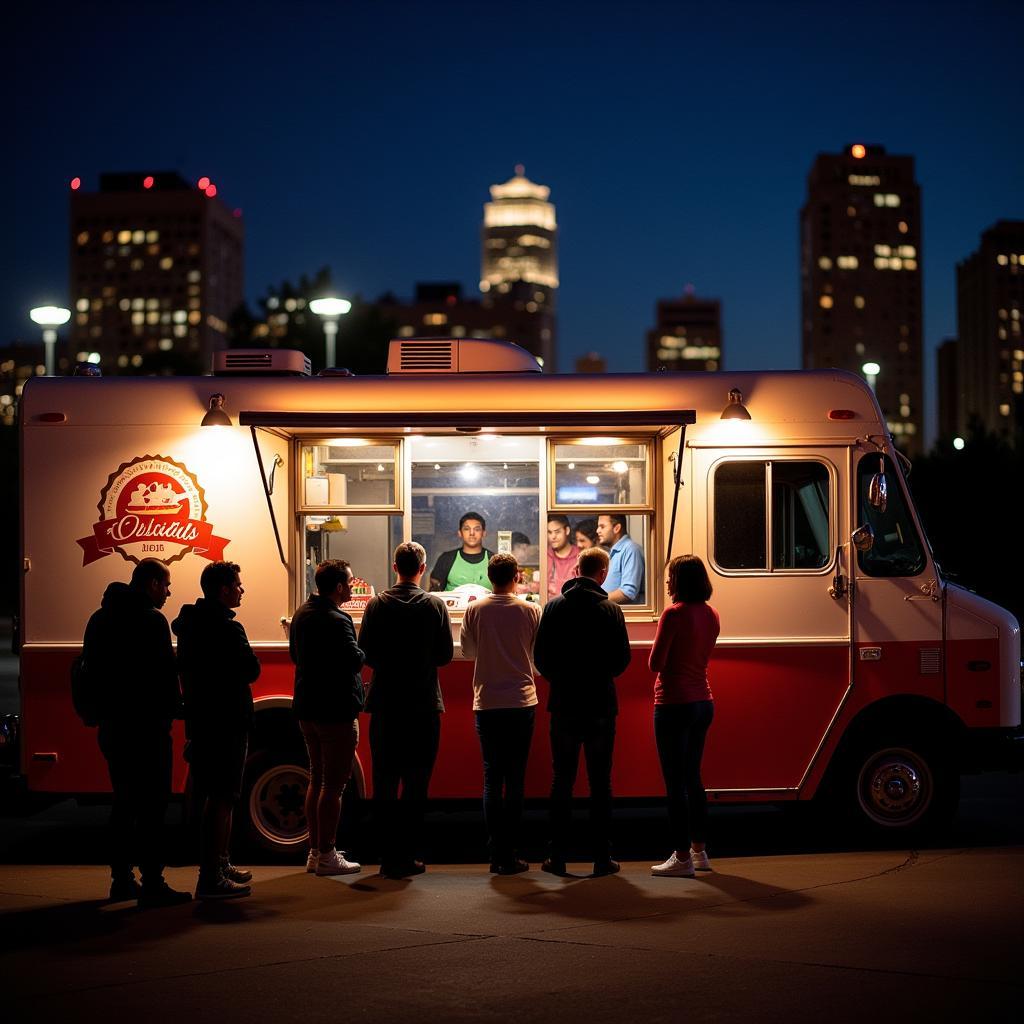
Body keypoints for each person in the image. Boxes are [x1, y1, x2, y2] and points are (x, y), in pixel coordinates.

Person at [81, 558, 191, 907]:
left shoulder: (99, 618)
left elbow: (91, 670)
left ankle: (121, 879)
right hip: (147, 727)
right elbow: (163, 674)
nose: (169, 592)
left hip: (113, 726)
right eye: (166, 584)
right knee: (153, 806)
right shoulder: (151, 620)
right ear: (152, 584)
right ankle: (153, 881)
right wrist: (179, 710)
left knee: (124, 802)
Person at [533, 546, 631, 876]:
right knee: (600, 782)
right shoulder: (611, 610)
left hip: (564, 704)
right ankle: (603, 857)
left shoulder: (554, 607)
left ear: (576, 568)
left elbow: (541, 658)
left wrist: (562, 678)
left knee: (562, 780)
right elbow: (622, 661)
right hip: (602, 704)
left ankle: (557, 856)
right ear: (602, 574)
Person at [359, 541, 454, 878]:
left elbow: (364, 652)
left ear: (395, 566)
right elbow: (444, 655)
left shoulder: (376, 604)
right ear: (422, 568)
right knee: (416, 784)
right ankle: (409, 855)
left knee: (384, 782)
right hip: (423, 705)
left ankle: (387, 857)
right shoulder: (434, 605)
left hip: (385, 704)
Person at [173, 561, 261, 900]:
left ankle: (219, 865)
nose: (242, 589)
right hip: (227, 720)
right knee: (223, 797)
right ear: (223, 589)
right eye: (238, 584)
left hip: (203, 718)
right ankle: (211, 875)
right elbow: (250, 669)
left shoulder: (190, 624)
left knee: (214, 795)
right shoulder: (227, 627)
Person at [459, 553, 541, 874]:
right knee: (516, 778)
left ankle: (496, 853)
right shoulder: (531, 610)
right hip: (522, 702)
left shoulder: (475, 610)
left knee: (492, 778)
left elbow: (467, 651)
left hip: (488, 702)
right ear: (517, 576)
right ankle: (513, 851)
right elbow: (536, 653)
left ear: (489, 576)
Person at [290, 559, 365, 877]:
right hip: (335, 709)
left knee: (316, 778)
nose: (351, 587)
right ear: (338, 587)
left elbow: (295, 655)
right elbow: (354, 660)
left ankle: (313, 851)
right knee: (334, 785)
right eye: (349, 582)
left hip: (307, 706)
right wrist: (363, 652)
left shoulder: (301, 614)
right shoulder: (338, 619)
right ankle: (327, 853)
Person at [648, 555, 719, 878]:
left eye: (671, 577)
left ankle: (680, 858)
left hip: (673, 702)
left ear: (680, 581)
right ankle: (699, 852)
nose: (666, 583)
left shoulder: (673, 614)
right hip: (703, 701)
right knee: (694, 778)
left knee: (674, 784)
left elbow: (655, 663)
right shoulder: (711, 614)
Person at [429, 511, 494, 592]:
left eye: (477, 529)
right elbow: (434, 592)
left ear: (484, 533)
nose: (472, 533)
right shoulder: (446, 559)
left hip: (487, 605)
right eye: (467, 529)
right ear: (460, 533)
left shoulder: (494, 560)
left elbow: (503, 593)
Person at [596, 513, 645, 604]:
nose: (597, 530)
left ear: (617, 528)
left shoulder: (631, 549)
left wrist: (594, 599)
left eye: (602, 527)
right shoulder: (614, 552)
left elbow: (628, 593)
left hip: (623, 616)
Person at [546, 514, 578, 598]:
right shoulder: (545, 556)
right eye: (549, 532)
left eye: (557, 532)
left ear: (567, 530)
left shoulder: (579, 556)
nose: (553, 537)